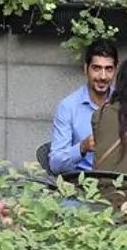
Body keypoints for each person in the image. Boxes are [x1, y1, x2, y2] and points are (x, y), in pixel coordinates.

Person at [49, 40, 118, 172]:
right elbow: (55, 164)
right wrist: (82, 147)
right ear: (86, 69)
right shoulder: (68, 107)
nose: (103, 76)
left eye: (108, 69)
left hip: (118, 183)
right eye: (96, 68)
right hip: (81, 185)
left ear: (115, 70)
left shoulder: (124, 103)